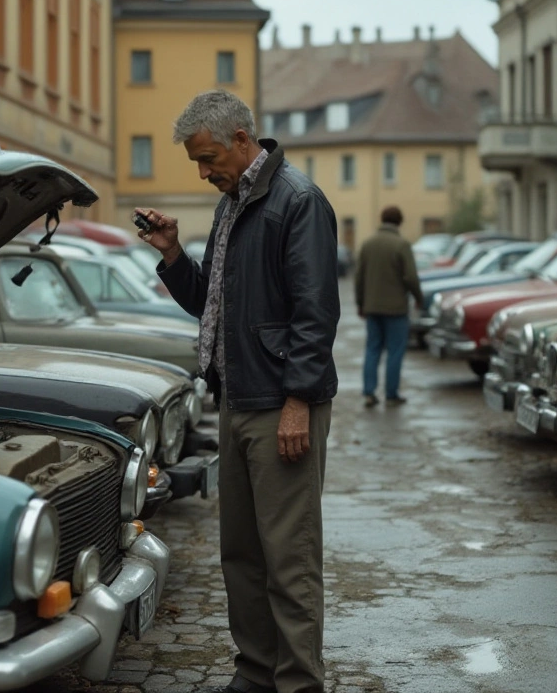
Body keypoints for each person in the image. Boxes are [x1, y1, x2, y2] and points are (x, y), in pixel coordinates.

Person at [135, 89, 339, 693]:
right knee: (242, 557)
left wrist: (299, 401)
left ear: (242, 141)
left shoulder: (296, 201)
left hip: (283, 406)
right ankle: (254, 674)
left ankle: (298, 682)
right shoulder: (233, 203)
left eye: (207, 158)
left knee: (289, 560)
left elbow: (315, 312)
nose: (202, 172)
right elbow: (214, 306)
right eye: (196, 162)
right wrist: (173, 254)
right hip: (238, 399)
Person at [354, 205, 423, 407]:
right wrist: (418, 296)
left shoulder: (368, 244)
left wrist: (361, 303)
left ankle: (369, 392)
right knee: (395, 351)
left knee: (372, 349)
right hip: (396, 309)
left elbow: (359, 278)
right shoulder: (401, 245)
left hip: (372, 307)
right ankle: (391, 394)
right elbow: (410, 276)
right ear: (399, 222)